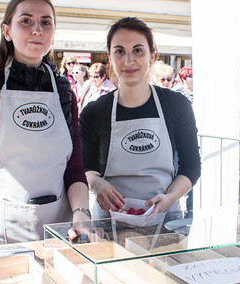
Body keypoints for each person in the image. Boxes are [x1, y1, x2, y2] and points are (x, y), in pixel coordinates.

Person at [0, 0, 90, 249]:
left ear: (53, 34)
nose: (37, 30)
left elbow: (74, 168)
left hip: (59, 231)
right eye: (26, 21)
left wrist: (81, 215)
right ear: (6, 31)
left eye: (46, 22)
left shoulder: (64, 91)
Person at [79, 17, 201, 219]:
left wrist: (169, 198)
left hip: (165, 221)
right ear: (110, 57)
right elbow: (85, 168)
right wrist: (97, 183)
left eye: (138, 50)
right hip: (110, 224)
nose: (128, 60)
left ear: (152, 56)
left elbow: (191, 167)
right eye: (119, 51)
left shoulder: (176, 105)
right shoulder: (94, 112)